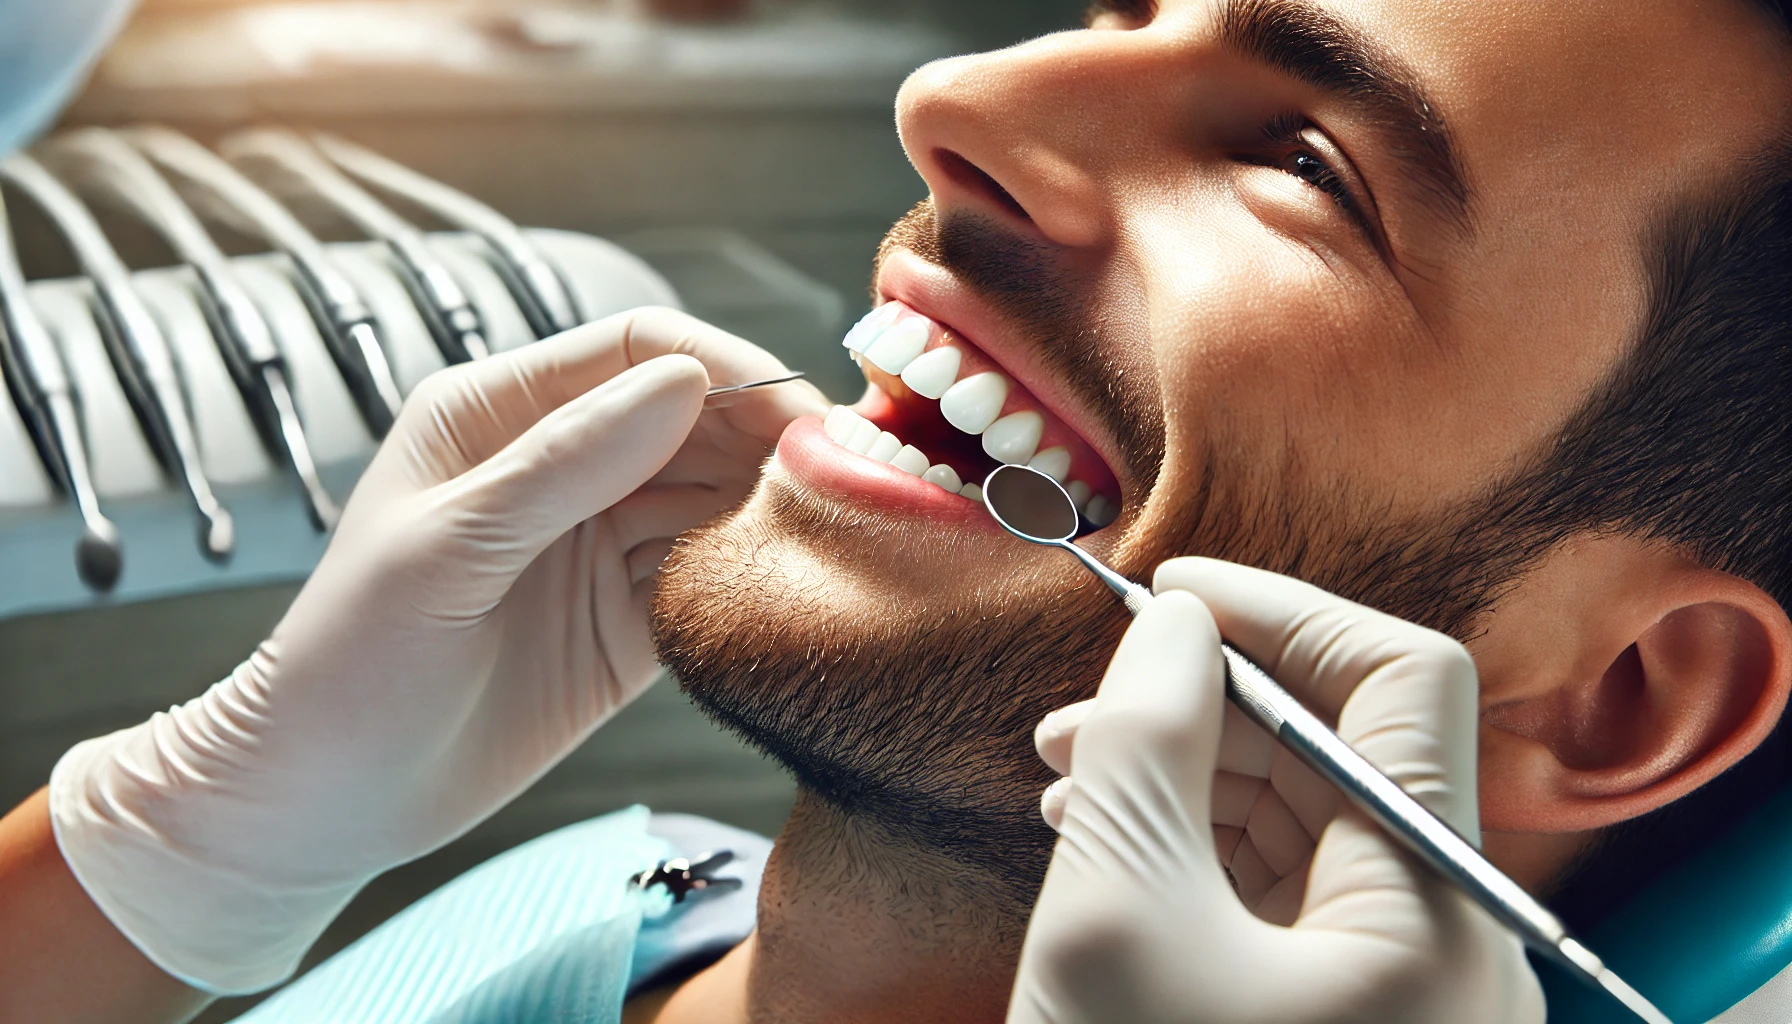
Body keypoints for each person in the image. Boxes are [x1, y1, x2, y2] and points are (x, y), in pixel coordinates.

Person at [0, 0, 1788, 1020]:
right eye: (1117, 8)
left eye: (1303, 164)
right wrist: (158, 867)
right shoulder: (618, 895)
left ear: (1632, 695)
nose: (957, 100)